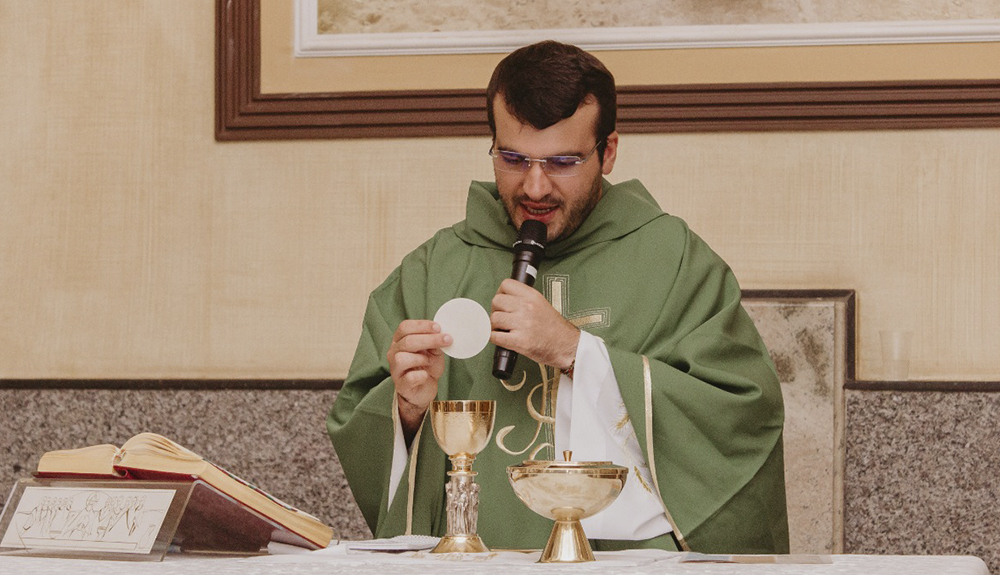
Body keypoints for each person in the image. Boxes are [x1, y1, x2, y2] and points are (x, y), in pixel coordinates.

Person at [328, 40, 788, 553]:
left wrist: (576, 352)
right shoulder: (435, 269)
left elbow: (742, 417)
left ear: (608, 151)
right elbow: (362, 425)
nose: (536, 186)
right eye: (513, 158)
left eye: (563, 161)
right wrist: (408, 411)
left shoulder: (675, 261)